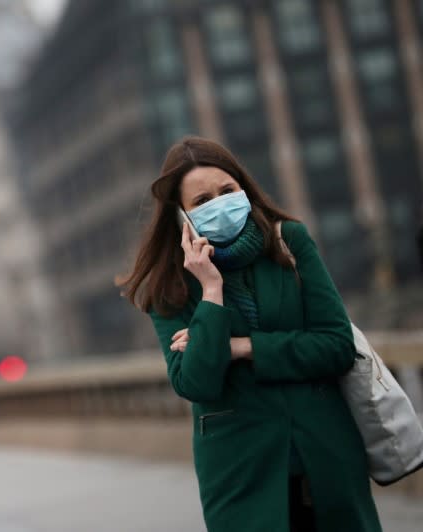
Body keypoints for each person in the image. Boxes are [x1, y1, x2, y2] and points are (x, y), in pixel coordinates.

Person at [117, 137, 382, 531]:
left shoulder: (289, 240)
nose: (219, 203)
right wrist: (210, 291)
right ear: (181, 216)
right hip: (240, 470)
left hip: (324, 457)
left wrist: (240, 347)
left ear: (245, 189)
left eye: (227, 191)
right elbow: (195, 381)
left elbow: (336, 346)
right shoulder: (167, 284)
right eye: (202, 201)